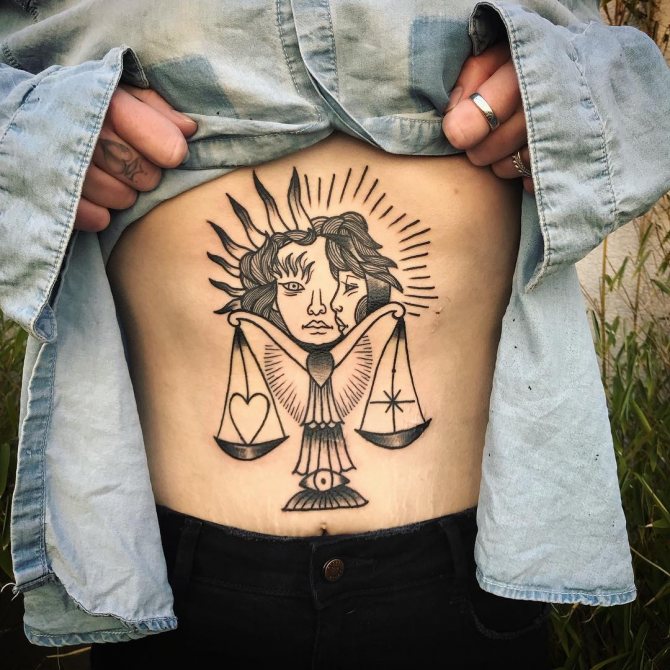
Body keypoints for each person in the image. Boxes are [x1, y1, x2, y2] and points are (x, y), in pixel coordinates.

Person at [1, 1, 669, 668]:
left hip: (467, 566)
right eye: (294, 288)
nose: (320, 305)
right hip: (181, 573)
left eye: (344, 286)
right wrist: (32, 134)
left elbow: (638, 95)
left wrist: (561, 91)